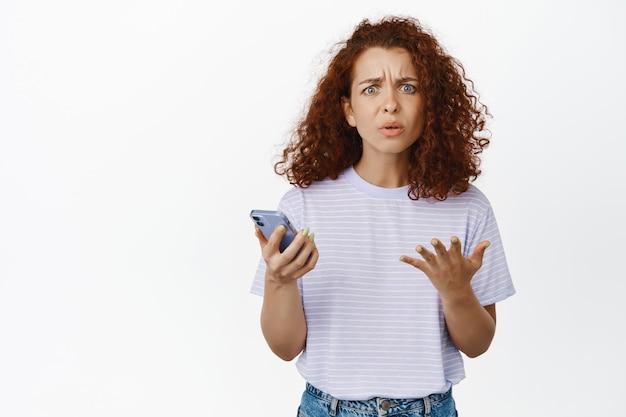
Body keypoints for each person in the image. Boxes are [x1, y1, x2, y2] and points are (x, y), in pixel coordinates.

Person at [251, 15, 515, 417]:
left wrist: (457, 291)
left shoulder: (467, 206)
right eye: (371, 88)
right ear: (348, 110)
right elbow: (285, 348)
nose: (390, 103)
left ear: (430, 105)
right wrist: (278, 280)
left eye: (408, 87)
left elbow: (478, 345)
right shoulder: (304, 206)